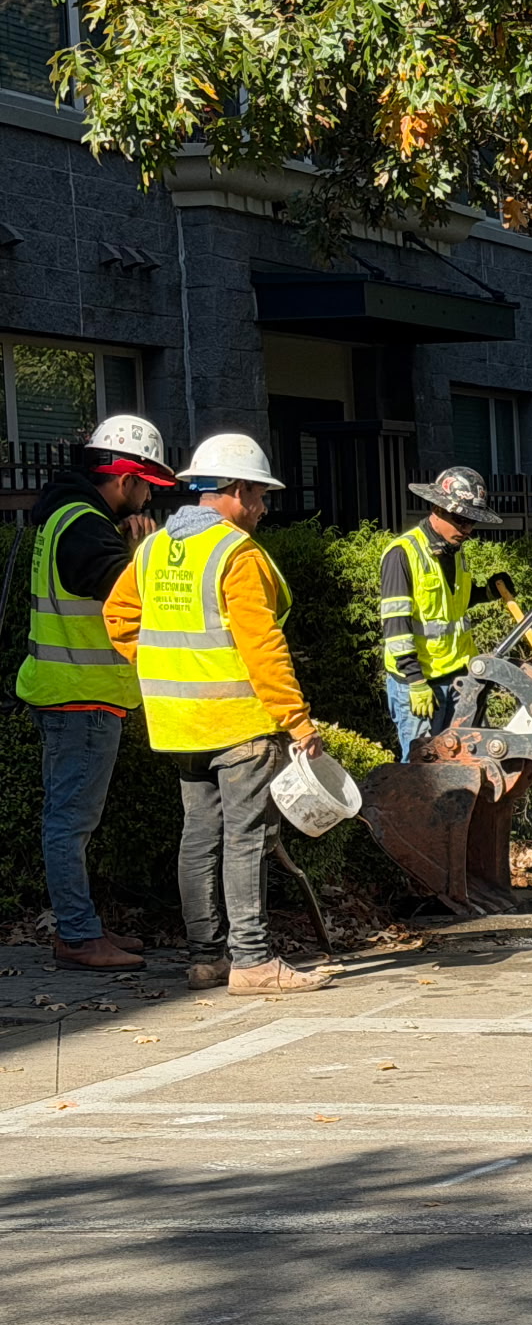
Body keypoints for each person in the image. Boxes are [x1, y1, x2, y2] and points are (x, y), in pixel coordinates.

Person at [104, 434, 329, 996]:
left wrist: (162, 669)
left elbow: (118, 618)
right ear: (237, 490)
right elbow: (263, 648)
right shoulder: (237, 554)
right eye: (260, 495)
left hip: (179, 725)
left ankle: (206, 959)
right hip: (239, 722)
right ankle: (252, 959)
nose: (263, 508)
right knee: (246, 838)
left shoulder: (153, 549)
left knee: (199, 836)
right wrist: (298, 721)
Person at [14, 417, 174, 970]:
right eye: (147, 485)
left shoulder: (67, 516)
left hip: (69, 694)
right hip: (81, 698)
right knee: (69, 823)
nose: (150, 497)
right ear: (126, 479)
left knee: (70, 820)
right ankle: (79, 936)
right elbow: (130, 598)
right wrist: (145, 552)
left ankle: (82, 928)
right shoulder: (85, 526)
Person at [379, 467, 509, 760]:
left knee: (461, 762)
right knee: (421, 771)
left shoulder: (454, 551)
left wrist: (487, 593)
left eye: (472, 522)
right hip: (420, 683)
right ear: (437, 509)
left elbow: (452, 605)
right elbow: (396, 627)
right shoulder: (402, 554)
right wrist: (416, 681)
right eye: (461, 520)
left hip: (457, 677)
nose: (467, 529)